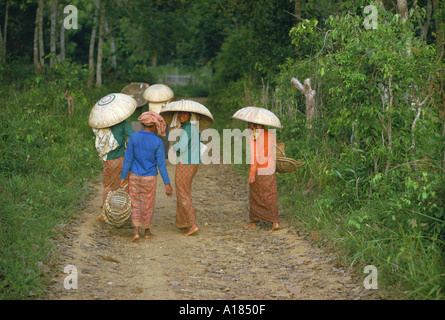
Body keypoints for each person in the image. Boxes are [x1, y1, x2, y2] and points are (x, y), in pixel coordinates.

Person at [120, 111, 173, 242]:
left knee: (135, 202)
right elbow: (161, 165)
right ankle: (147, 231)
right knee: (148, 204)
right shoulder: (157, 141)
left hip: (134, 176)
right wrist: (167, 183)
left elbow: (128, 159)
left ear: (142, 124)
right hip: (150, 178)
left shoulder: (133, 138)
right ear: (154, 126)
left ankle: (136, 231)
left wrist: (122, 178)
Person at [94, 119, 134, 222]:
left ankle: (105, 212)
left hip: (107, 160)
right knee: (123, 185)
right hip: (120, 159)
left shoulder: (102, 124)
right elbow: (132, 136)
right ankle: (121, 213)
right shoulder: (122, 123)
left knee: (108, 185)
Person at [243, 122, 280, 231]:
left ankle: (253, 223)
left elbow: (254, 157)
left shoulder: (253, 137)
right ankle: (275, 222)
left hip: (259, 170)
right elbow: (275, 152)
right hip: (270, 168)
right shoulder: (271, 134)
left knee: (255, 196)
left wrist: (251, 174)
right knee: (271, 194)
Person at [172, 111, 201, 236]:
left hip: (185, 163)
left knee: (183, 193)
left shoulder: (186, 129)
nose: (181, 116)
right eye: (180, 114)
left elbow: (181, 147)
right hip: (193, 163)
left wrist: (175, 144)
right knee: (185, 191)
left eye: (184, 114)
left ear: (190, 115)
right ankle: (183, 223)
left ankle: (192, 224)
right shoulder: (193, 129)